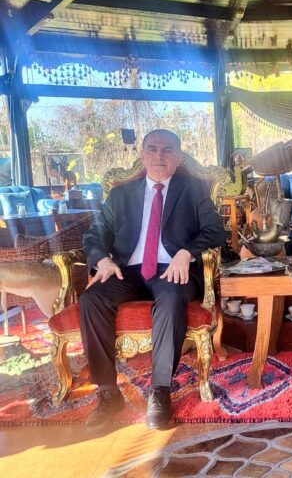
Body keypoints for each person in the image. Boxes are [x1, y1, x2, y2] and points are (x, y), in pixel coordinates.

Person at [80, 129, 225, 431]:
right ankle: (107, 393)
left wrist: (187, 252)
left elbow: (215, 231)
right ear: (143, 155)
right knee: (92, 299)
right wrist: (102, 259)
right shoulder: (120, 195)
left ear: (178, 157)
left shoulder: (193, 190)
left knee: (171, 297)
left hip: (174, 269)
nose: (159, 155)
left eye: (167, 149)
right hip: (127, 270)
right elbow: (95, 233)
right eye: (153, 149)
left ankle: (160, 391)